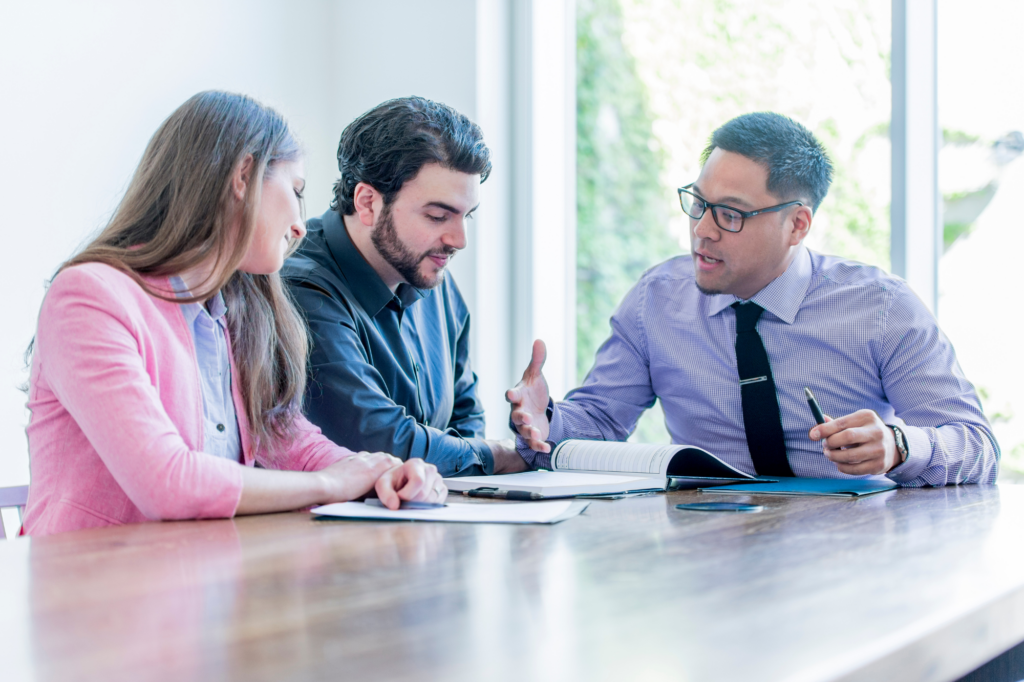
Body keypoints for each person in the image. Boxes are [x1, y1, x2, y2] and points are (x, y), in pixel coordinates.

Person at [23, 91, 446, 536]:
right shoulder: (89, 297)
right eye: (296, 190)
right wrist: (327, 484)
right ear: (244, 175)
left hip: (198, 584)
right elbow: (168, 482)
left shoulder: (239, 311)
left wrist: (384, 474)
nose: (301, 225)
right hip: (86, 591)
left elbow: (292, 442)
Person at [507, 112, 999, 486]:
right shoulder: (656, 301)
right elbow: (597, 423)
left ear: (797, 225)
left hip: (849, 558)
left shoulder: (881, 308)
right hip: (705, 559)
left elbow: (978, 447)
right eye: (698, 203)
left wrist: (898, 445)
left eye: (730, 214)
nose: (702, 230)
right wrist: (544, 418)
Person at [281, 97, 527, 478]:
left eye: (467, 217)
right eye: (437, 215)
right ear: (368, 203)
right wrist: (500, 456)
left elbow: (465, 416)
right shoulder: (301, 288)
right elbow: (380, 439)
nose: (459, 239)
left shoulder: (430, 273)